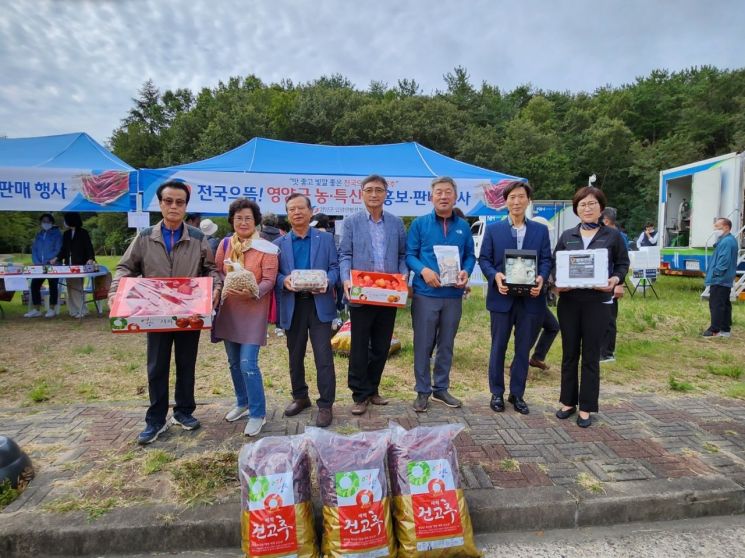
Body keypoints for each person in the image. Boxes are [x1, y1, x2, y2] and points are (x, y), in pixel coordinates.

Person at [109, 181, 221, 445]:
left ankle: (184, 411)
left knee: (186, 363)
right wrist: (117, 292)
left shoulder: (196, 237)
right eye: (168, 201)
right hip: (155, 313)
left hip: (188, 313)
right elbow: (125, 268)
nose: (174, 206)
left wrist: (215, 288)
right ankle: (155, 419)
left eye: (179, 202)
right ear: (160, 204)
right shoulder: (146, 236)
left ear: (185, 206)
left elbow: (211, 269)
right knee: (157, 365)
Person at [554, 187, 629, 428]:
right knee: (569, 353)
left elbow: (622, 263)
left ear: (600, 208)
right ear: (576, 209)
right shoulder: (567, 236)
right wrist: (556, 283)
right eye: (582, 204)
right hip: (569, 302)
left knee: (590, 355)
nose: (587, 208)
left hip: (597, 302)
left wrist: (616, 279)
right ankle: (567, 402)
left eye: (592, 204)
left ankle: (586, 406)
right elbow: (556, 265)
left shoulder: (612, 236)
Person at [478, 181, 551, 415]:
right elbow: (484, 260)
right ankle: (496, 393)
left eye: (521, 197)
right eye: (512, 197)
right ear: (505, 201)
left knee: (522, 349)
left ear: (528, 200)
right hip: (502, 298)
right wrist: (495, 276)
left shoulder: (540, 231)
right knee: (498, 346)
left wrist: (541, 278)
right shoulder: (494, 230)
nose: (517, 202)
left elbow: (547, 260)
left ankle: (517, 394)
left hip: (531, 299)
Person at [339, 174, 407, 416]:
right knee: (359, 345)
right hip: (361, 293)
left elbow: (401, 256)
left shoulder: (396, 223)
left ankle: (373, 388)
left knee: (381, 345)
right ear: (362, 194)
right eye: (369, 190)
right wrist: (346, 279)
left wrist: (404, 275)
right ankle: (359, 394)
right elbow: (345, 254)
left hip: (388, 293)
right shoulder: (351, 222)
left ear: (386, 193)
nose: (374, 194)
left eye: (379, 189)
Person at [406, 176, 475, 412]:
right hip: (426, 294)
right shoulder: (419, 224)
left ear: (455, 196)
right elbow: (409, 255)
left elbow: (470, 255)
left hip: (453, 295)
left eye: (448, 192)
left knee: (446, 343)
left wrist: (466, 271)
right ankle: (422, 390)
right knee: (423, 344)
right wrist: (423, 270)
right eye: (439, 192)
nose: (443, 196)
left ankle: (441, 388)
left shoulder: (463, 227)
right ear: (431, 197)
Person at [213, 199, 278, 437]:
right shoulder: (225, 244)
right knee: (233, 362)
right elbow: (218, 270)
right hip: (229, 309)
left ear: (255, 221)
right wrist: (223, 285)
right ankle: (242, 402)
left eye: (247, 218)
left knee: (247, 364)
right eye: (238, 218)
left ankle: (257, 413)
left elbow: (269, 280)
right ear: (232, 220)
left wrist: (253, 290)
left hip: (253, 310)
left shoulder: (266, 248)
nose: (243, 222)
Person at [274, 193, 339, 427]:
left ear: (311, 211)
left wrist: (327, 282)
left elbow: (335, 269)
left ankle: (325, 404)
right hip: (293, 304)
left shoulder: (326, 239)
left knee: (323, 356)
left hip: (319, 303)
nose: (297, 212)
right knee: (295, 355)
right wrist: (284, 281)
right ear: (288, 214)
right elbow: (274, 275)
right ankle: (300, 397)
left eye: (301, 208)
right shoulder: (278, 245)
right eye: (292, 209)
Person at [55, 212, 96, 318]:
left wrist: (90, 258)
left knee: (77, 287)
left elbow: (88, 247)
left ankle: (82, 310)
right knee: (69, 288)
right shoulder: (66, 234)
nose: (64, 222)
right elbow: (63, 249)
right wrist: (57, 258)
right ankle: (73, 310)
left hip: (79, 264)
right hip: (68, 264)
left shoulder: (83, 233)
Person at [703, 217, 738, 338]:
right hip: (725, 278)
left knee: (716, 304)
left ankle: (714, 330)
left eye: (717, 227)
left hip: (720, 278)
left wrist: (716, 274)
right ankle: (725, 329)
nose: (715, 229)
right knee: (724, 304)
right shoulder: (727, 240)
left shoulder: (727, 241)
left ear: (726, 227)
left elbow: (724, 260)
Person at [600, 207, 627, 361]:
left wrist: (619, 284)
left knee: (609, 318)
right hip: (602, 284)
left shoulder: (617, 236)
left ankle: (607, 352)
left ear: (606, 220)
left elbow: (622, 262)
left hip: (612, 282)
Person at [25, 214, 62, 318]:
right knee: (35, 285)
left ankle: (52, 308)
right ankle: (36, 309)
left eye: (48, 221)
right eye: (44, 221)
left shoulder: (57, 234)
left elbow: (58, 249)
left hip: (52, 265)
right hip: (39, 266)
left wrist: (48, 261)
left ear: (52, 222)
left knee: (53, 286)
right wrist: (37, 262)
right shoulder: (39, 235)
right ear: (41, 223)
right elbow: (35, 249)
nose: (46, 223)